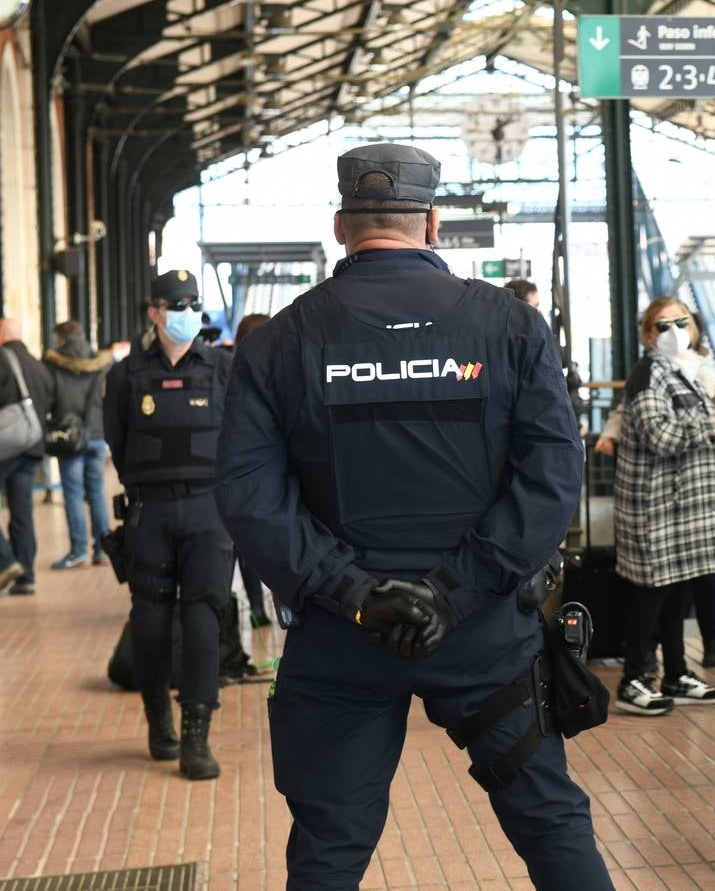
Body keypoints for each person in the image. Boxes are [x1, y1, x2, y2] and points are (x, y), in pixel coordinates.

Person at [214, 143, 612, 890]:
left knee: (329, 847)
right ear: (434, 223)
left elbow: (248, 497)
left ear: (340, 227)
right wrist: (453, 593)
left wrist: (356, 594)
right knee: (550, 821)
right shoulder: (513, 328)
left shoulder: (279, 345)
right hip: (486, 634)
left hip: (340, 640)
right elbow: (553, 479)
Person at [104, 271, 234, 781]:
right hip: (150, 512)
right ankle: (160, 721)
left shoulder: (223, 367)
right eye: (176, 304)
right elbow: (118, 441)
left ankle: (196, 735)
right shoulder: (126, 375)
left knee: (204, 620)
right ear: (154, 311)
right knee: (151, 621)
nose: (186, 312)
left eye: (193, 303)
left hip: (208, 512)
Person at [611, 298, 715, 715]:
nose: (674, 331)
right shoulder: (649, 374)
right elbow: (658, 435)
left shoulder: (686, 370)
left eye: (681, 322)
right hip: (656, 507)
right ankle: (634, 678)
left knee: (677, 590)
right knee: (652, 593)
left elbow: (687, 431)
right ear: (647, 335)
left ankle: (676, 671)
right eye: (662, 326)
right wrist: (714, 427)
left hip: (683, 509)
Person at [44, 320, 114, 569]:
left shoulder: (53, 365)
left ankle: (78, 551)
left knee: (73, 494)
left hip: (69, 437)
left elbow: (48, 399)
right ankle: (103, 551)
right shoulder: (102, 363)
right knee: (96, 492)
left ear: (62, 339)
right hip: (96, 434)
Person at [0, 318, 54, 596]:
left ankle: (6, 562)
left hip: (5, 449)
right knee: (22, 513)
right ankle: (27, 576)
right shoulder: (38, 365)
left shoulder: (3, 360)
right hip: (32, 448)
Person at [231, 313, 273, 626]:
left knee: (244, 549)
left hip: (241, 482)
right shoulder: (286, 372)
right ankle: (282, 608)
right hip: (273, 482)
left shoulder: (228, 375)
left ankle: (257, 607)